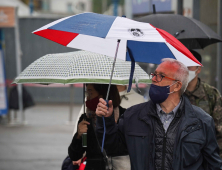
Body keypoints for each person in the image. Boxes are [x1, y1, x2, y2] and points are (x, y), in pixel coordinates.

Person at [96, 58, 222, 170]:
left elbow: (213, 164)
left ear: (177, 86)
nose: (154, 79)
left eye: (161, 76)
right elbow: (113, 148)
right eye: (154, 74)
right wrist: (106, 119)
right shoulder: (133, 115)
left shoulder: (202, 121)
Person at [68, 84, 127, 170]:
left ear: (102, 95)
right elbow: (74, 156)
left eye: (90, 93)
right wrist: (78, 136)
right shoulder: (86, 118)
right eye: (87, 94)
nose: (87, 98)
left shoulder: (124, 116)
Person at [184, 50, 222, 157]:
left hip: (205, 156)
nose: (186, 70)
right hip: (181, 157)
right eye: (183, 66)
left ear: (198, 69)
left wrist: (216, 160)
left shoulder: (211, 94)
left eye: (189, 67)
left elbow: (219, 131)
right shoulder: (176, 92)